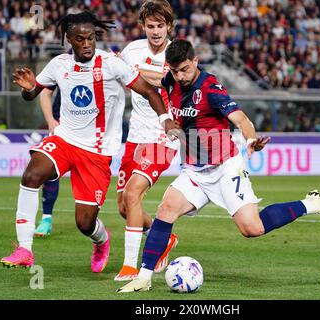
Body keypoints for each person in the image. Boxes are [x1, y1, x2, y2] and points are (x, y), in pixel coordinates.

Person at [117, 39, 320, 293]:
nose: (180, 76)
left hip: (224, 168)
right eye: (174, 71)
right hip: (194, 172)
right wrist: (163, 117)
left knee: (252, 228)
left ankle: (311, 203)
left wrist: (251, 139)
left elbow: (240, 118)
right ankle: (144, 277)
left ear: (195, 62)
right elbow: (153, 84)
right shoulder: (171, 80)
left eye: (185, 69)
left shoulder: (211, 88)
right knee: (166, 210)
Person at [0, 11, 175, 274]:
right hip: (65, 140)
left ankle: (101, 241)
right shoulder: (59, 64)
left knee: (84, 223)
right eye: (79, 39)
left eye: (91, 38)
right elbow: (35, 92)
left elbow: (149, 90)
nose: (86, 44)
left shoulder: (111, 64)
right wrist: (28, 89)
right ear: (68, 40)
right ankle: (25, 249)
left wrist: (165, 119)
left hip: (97, 152)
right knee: (32, 174)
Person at [114, 0, 179, 281]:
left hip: (163, 137)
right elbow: (119, 78)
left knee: (133, 194)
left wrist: (132, 72)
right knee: (124, 207)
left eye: (160, 26)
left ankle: (131, 267)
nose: (155, 31)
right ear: (143, 26)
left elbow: (168, 79)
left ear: (169, 27)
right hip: (135, 136)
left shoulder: (177, 53)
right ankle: (162, 237)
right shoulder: (132, 50)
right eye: (150, 26)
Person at [34, 87, 61, 237]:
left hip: (90, 128)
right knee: (50, 170)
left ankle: (90, 220)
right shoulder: (61, 63)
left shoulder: (104, 64)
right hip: (60, 123)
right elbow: (45, 91)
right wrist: (50, 119)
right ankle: (46, 219)